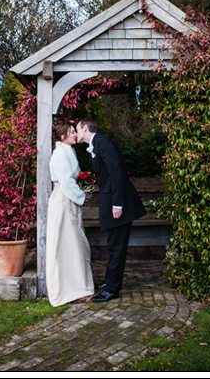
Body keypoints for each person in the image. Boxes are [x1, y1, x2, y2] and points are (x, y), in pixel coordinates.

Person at [76, 118, 146, 302]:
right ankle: (110, 282)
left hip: (119, 204)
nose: (76, 133)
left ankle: (112, 289)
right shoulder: (96, 145)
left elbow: (117, 173)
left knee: (116, 247)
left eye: (77, 129)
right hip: (111, 202)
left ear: (85, 128)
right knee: (113, 244)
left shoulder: (103, 143)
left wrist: (118, 204)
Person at [46, 122, 95, 307]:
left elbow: (73, 178)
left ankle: (78, 286)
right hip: (63, 201)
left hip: (69, 200)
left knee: (75, 245)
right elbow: (66, 182)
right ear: (62, 136)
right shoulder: (59, 154)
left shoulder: (68, 150)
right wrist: (82, 196)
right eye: (72, 132)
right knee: (66, 244)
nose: (75, 134)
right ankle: (67, 290)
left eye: (75, 131)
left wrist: (82, 189)